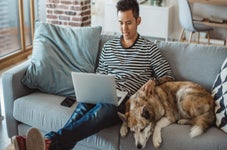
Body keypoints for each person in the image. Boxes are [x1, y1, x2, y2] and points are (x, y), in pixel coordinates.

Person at [13, 0, 174, 150]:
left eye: (129, 23)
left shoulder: (149, 49)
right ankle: (48, 145)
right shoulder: (109, 47)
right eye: (121, 23)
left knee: (101, 110)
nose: (124, 28)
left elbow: (169, 76)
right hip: (105, 93)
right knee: (82, 108)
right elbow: (99, 77)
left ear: (138, 21)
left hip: (127, 102)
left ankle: (47, 141)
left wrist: (154, 81)